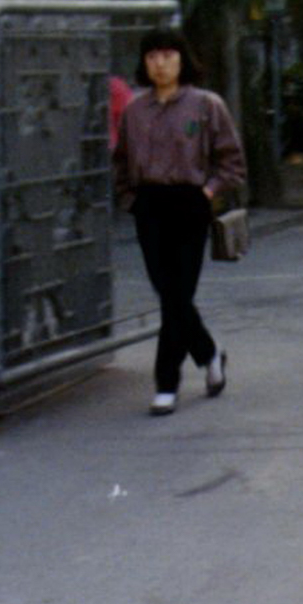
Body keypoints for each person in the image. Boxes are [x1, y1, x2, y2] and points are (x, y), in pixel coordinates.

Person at [113, 28, 247, 414]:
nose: (160, 64)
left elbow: (232, 162)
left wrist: (207, 192)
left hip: (190, 204)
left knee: (177, 294)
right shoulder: (135, 111)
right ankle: (209, 354)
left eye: (169, 56)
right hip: (149, 205)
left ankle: (166, 383)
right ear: (144, 63)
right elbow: (120, 163)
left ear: (183, 60)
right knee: (167, 291)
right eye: (152, 56)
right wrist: (131, 200)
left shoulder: (206, 105)